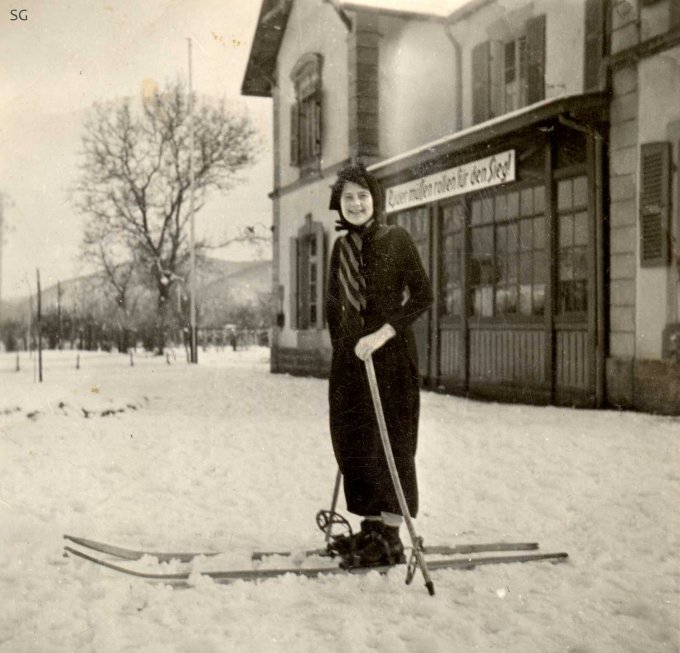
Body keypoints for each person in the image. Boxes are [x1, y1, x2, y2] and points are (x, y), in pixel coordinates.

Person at [325, 162, 433, 567]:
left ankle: (390, 535)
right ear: (339, 203)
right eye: (349, 197)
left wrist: (382, 334)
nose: (356, 204)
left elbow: (422, 296)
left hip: (390, 358)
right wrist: (344, 348)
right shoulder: (342, 248)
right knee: (354, 439)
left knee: (392, 443)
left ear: (375, 200)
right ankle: (369, 528)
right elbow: (335, 306)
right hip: (351, 361)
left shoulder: (397, 239)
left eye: (363, 196)